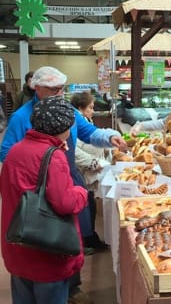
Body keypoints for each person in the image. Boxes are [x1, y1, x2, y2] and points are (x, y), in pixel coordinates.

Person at [0, 66, 127, 303]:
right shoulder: (23, 120)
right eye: (53, 89)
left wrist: (109, 137)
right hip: (44, 216)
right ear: (35, 88)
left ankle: (71, 288)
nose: (59, 92)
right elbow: (64, 201)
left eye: (62, 88)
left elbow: (89, 132)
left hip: (19, 243)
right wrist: (41, 181)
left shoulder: (60, 113)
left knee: (30, 278)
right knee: (54, 256)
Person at [0, 96, 88, 304]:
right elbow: (64, 202)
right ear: (64, 127)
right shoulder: (53, 156)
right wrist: (81, 192)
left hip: (18, 243)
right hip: (47, 250)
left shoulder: (16, 150)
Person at [71, 91, 111, 251]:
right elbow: (75, 150)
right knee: (85, 207)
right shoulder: (75, 123)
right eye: (91, 107)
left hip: (90, 173)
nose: (93, 111)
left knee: (90, 205)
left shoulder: (86, 119)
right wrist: (93, 162)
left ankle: (90, 236)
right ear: (80, 108)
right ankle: (85, 240)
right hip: (82, 172)